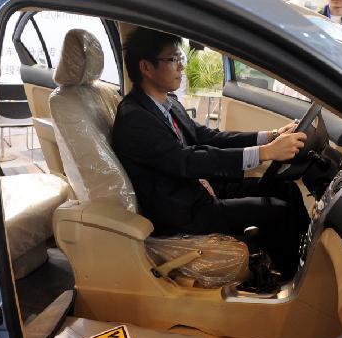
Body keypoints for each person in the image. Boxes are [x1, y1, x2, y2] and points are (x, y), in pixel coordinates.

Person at [111, 27, 309, 277]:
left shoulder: (166, 102)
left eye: (180, 58)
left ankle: (305, 260)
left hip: (201, 188)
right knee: (279, 212)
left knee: (286, 188)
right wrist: (265, 153)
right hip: (183, 211)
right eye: (173, 59)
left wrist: (270, 136)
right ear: (146, 67)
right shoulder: (134, 119)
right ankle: (297, 283)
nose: (181, 67)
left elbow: (208, 137)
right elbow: (187, 161)